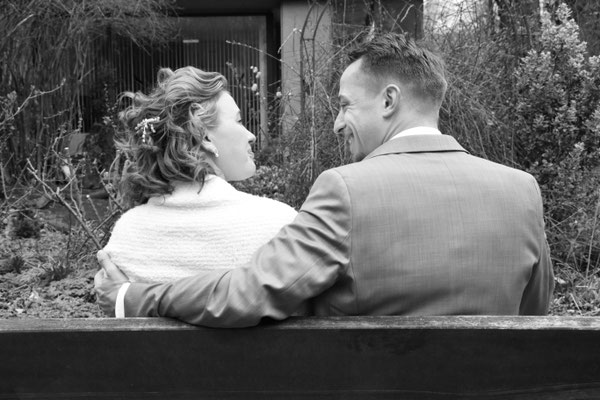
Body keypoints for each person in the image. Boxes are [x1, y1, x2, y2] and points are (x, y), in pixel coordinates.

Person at [95, 33, 554, 326]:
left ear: (389, 101)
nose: (336, 123)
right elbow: (533, 314)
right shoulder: (521, 190)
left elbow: (248, 292)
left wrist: (134, 297)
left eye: (345, 105)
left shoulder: (346, 191)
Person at [101, 66, 297, 294]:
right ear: (203, 133)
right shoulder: (279, 225)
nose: (251, 135)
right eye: (239, 121)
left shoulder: (127, 234)